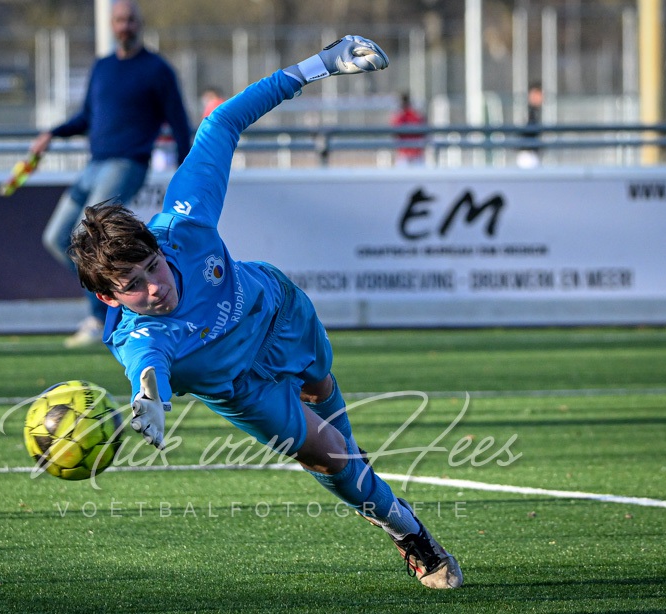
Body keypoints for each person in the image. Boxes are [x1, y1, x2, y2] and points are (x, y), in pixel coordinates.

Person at [68, 35, 463, 590]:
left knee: (324, 393)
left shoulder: (183, 224)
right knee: (333, 461)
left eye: (153, 267)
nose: (155, 288)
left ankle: (357, 469)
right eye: (132, 286)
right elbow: (147, 367)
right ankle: (409, 533)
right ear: (109, 299)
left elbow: (221, 123)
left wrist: (320, 64)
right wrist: (147, 399)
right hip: (243, 390)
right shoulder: (137, 335)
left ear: (157, 245)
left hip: (278, 312)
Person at [28, 0, 192, 348]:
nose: (125, 26)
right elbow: (86, 117)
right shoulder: (102, 67)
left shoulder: (157, 69)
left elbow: (179, 123)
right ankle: (110, 309)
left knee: (85, 239)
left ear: (139, 23)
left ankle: (102, 318)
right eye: (119, 20)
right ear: (111, 24)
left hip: (127, 164)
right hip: (94, 165)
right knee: (57, 238)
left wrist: (187, 172)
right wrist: (52, 133)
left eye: (130, 20)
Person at [390, 92, 426, 166]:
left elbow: (423, 131)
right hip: (405, 154)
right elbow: (395, 132)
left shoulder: (414, 115)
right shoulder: (401, 116)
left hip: (415, 153)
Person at [517, 81, 543, 168]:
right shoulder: (528, 112)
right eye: (537, 94)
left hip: (533, 153)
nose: (540, 97)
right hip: (527, 154)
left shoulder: (538, 112)